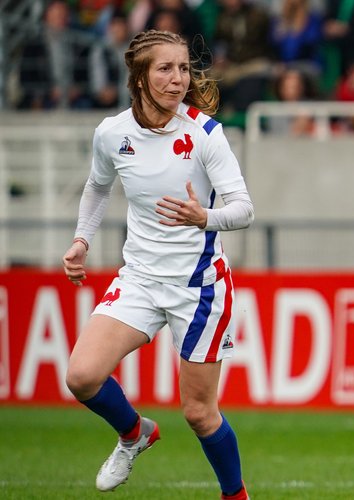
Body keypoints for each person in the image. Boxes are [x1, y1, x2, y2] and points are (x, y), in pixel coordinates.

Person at [62, 30, 254, 499]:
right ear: (141, 76)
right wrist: (82, 239)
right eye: (165, 69)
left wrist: (203, 216)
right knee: (82, 377)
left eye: (184, 69)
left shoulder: (205, 133)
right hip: (141, 279)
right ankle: (134, 433)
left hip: (199, 286)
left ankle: (236, 496)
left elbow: (244, 208)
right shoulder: (112, 134)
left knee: (199, 413)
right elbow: (97, 186)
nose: (177, 79)